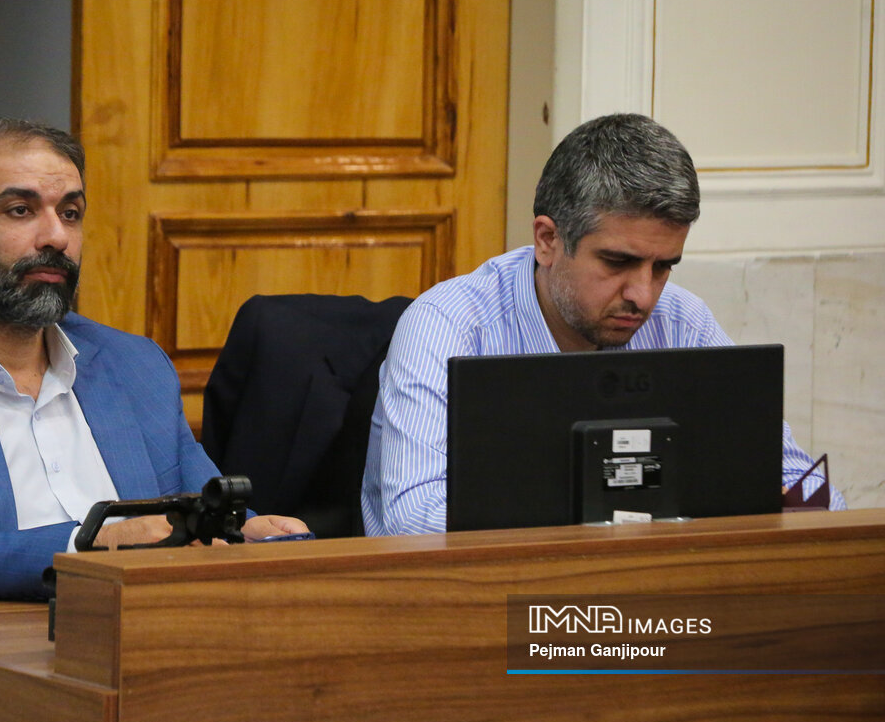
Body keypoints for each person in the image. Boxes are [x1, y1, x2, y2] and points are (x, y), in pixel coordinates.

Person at [0, 118, 307, 604]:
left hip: (142, 638)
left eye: (70, 213)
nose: (56, 238)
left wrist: (249, 534)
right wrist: (94, 546)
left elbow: (198, 515)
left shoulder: (135, 366)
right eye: (21, 210)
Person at [361, 113, 846, 536]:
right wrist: (621, 522)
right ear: (548, 240)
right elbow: (414, 521)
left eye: (663, 266)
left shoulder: (682, 321)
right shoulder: (447, 326)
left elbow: (807, 490)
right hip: (478, 599)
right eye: (617, 262)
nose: (644, 295)